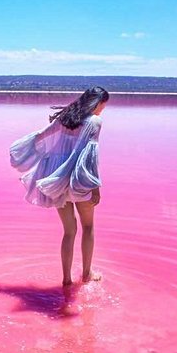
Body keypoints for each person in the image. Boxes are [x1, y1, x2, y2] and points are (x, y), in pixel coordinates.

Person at [9, 86, 108, 287]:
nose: (102, 110)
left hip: (57, 180)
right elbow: (90, 156)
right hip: (79, 180)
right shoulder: (94, 121)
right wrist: (95, 187)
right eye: (103, 105)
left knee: (69, 231)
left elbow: (41, 136)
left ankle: (66, 280)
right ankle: (87, 274)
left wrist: (24, 154)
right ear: (98, 103)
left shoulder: (65, 118)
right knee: (87, 227)